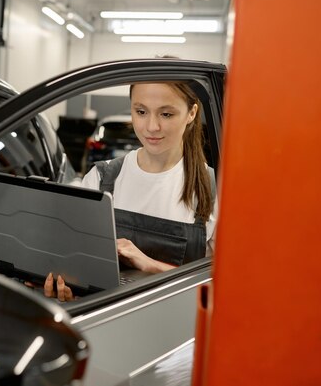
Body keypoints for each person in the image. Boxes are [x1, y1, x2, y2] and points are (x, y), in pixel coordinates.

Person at [43, 81, 218, 301]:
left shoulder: (213, 190)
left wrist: (151, 266)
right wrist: (70, 290)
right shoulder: (101, 179)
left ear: (191, 113)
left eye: (166, 114)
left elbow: (226, 288)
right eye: (141, 111)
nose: (152, 126)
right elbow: (78, 262)